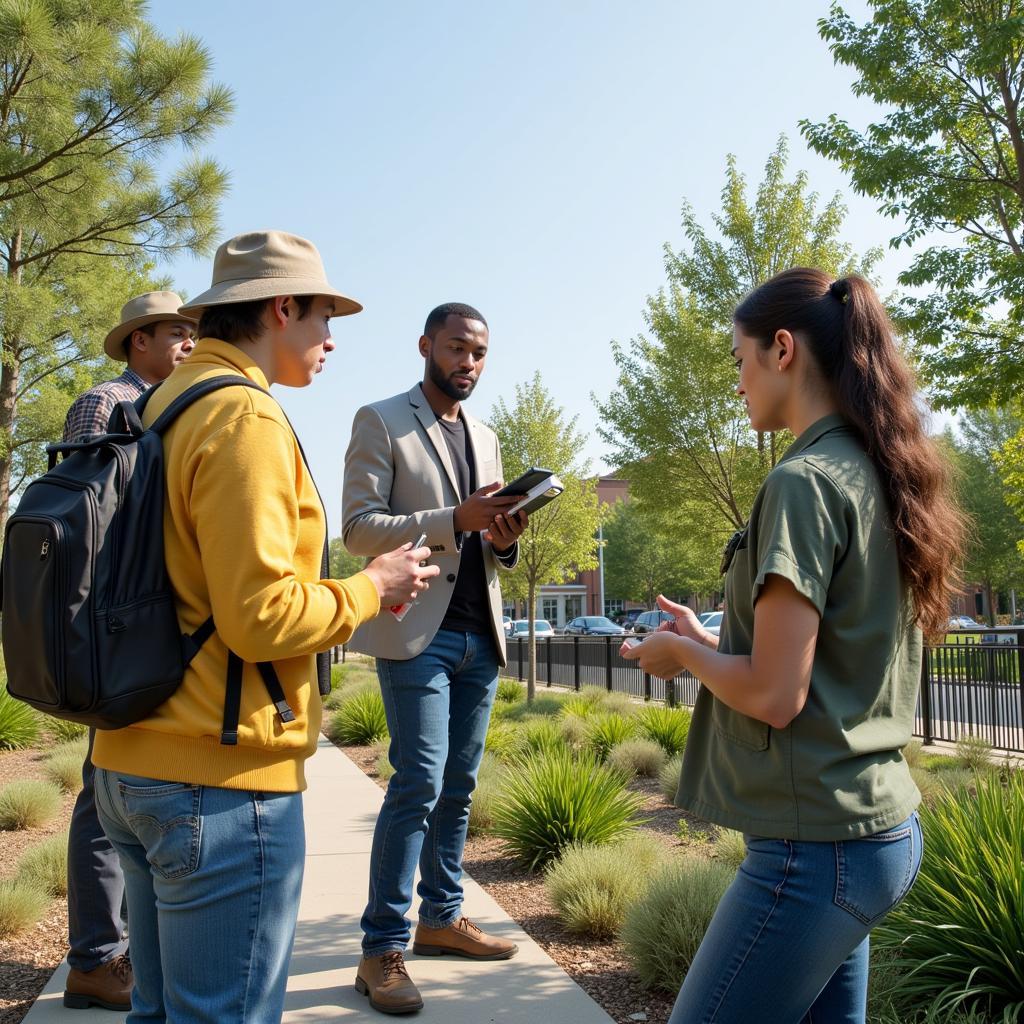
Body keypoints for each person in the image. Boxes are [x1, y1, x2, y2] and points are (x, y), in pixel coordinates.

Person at [90, 231, 438, 1024]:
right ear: (281, 308)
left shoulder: (163, 403)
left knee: (159, 1013)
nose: (330, 339)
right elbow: (260, 617)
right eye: (323, 317)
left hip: (132, 762)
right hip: (218, 785)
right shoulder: (243, 416)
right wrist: (369, 587)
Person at [622, 268, 964, 1024]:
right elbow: (824, 657)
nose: (737, 383)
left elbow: (778, 696)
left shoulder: (802, 482)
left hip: (816, 855)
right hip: (875, 832)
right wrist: (712, 641)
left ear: (783, 350)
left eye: (739, 360)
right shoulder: (874, 468)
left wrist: (682, 659)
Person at [342, 302, 527, 1015]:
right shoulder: (380, 419)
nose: (469, 363)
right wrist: (454, 519)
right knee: (417, 781)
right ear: (425, 346)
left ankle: (441, 917)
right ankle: (380, 948)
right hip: (416, 634)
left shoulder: (487, 434)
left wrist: (503, 534)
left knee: (460, 785)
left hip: (480, 634)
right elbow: (359, 529)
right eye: (456, 349)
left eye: (479, 352)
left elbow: (489, 547)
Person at [62, 291, 197, 1012]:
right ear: (138, 340)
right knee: (101, 789)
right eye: (175, 333)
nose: (185, 344)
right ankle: (94, 959)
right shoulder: (108, 403)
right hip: (114, 623)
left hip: (143, 620)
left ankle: (116, 950)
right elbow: (86, 524)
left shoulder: (171, 405)